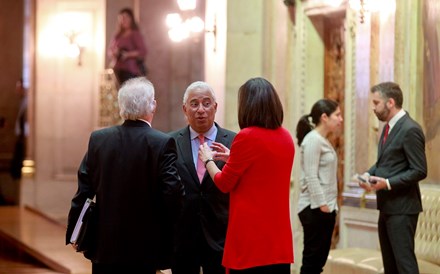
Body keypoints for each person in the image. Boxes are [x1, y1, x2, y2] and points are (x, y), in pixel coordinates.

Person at [65, 77, 184, 274]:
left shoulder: (99, 140)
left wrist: (74, 233)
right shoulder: (162, 143)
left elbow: (84, 191)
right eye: (154, 100)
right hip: (146, 247)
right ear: (151, 107)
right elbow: (173, 194)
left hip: (104, 245)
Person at [199, 77, 295, 274]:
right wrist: (233, 158)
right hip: (278, 241)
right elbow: (262, 171)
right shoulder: (286, 137)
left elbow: (224, 183)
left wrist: (208, 160)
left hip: (251, 242)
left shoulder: (247, 137)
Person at [358, 82, 427, 274]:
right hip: (387, 206)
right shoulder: (388, 127)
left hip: (403, 209)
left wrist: (387, 183)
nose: (373, 107)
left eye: (376, 102)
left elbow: (420, 170)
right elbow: (386, 162)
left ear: (390, 102)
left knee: (405, 266)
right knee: (390, 266)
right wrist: (368, 174)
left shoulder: (410, 129)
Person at [169, 81, 236, 274]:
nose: (201, 110)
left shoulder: (233, 141)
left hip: (220, 235)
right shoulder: (170, 142)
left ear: (215, 107)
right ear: (184, 109)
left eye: (207, 104)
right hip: (182, 236)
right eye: (194, 104)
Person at [295, 99, 343, 274]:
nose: (341, 119)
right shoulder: (313, 140)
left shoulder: (321, 140)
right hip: (314, 208)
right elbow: (311, 176)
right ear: (324, 117)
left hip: (323, 208)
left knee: (317, 263)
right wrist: (323, 205)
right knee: (312, 263)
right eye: (337, 115)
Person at [108, 8, 147, 86]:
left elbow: (143, 50)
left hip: (130, 70)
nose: (123, 20)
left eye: (126, 17)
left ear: (131, 19)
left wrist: (128, 54)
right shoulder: (117, 35)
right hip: (117, 68)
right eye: (121, 18)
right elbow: (110, 50)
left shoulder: (135, 34)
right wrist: (114, 53)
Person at [10, 78, 28, 179]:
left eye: (18, 87)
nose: (16, 90)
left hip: (23, 138)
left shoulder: (27, 101)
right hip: (20, 137)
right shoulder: (23, 101)